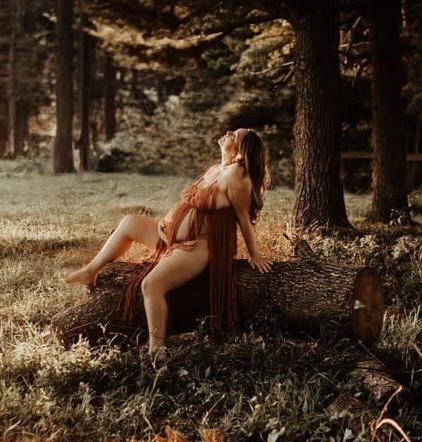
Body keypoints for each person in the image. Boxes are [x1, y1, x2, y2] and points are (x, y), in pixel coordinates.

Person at [61, 128, 273, 354]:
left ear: (240, 151)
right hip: (171, 236)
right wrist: (168, 221)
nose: (229, 132)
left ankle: (157, 350)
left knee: (151, 285)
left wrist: (255, 255)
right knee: (129, 222)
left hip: (198, 247)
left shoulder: (238, 178)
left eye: (235, 135)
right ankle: (90, 270)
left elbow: (243, 220)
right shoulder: (216, 169)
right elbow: (190, 203)